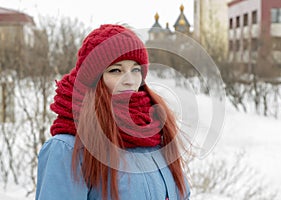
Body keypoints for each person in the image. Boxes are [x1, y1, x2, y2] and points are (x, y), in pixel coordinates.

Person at [35, 24, 190, 200]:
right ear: (93, 79)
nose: (130, 80)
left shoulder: (155, 135)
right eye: (116, 70)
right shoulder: (68, 149)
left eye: (136, 69)